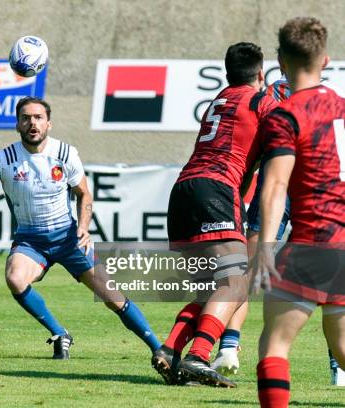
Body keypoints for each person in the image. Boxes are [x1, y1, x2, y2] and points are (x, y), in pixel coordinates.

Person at [0, 96, 161, 359]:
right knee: (15, 279)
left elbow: (84, 194)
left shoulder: (65, 153)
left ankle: (159, 349)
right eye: (26, 118)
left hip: (67, 238)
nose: (33, 123)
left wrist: (84, 227)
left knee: (113, 297)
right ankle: (60, 334)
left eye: (38, 117)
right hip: (30, 241)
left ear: (49, 124)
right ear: (17, 125)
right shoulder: (4, 158)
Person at [151, 42, 278, 387]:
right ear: (261, 73)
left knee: (212, 289)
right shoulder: (260, 101)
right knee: (235, 282)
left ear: (227, 72)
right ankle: (198, 358)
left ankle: (170, 350)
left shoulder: (218, 100)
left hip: (184, 190)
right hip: (216, 187)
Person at [249, 17, 344, 407]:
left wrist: (265, 248)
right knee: (341, 344)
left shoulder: (284, 116)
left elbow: (274, 186)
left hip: (311, 244)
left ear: (280, 62)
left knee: (274, 344)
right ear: (325, 59)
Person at [211, 75, 292, 377]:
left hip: (280, 187)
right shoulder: (315, 101)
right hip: (298, 188)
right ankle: (228, 347)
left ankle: (228, 348)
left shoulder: (267, 99)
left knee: (242, 273)